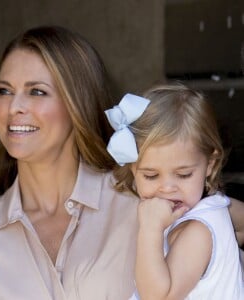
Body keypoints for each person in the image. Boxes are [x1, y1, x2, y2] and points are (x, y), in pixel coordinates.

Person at [0, 26, 243, 300]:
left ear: (78, 101)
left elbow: (225, 224)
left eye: (36, 91)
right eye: (4, 91)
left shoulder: (148, 199)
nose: (14, 107)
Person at [104, 84, 244, 299]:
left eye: (183, 174)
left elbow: (158, 296)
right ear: (133, 169)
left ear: (211, 164)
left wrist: (150, 230)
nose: (167, 188)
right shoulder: (216, 207)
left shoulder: (197, 231)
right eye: (150, 176)